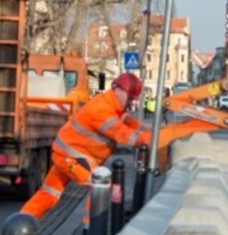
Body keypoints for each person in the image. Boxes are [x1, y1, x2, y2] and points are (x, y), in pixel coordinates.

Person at [21, 73, 151, 226]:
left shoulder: (115, 109)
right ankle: (90, 230)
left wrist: (154, 133)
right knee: (100, 185)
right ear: (118, 90)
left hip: (68, 155)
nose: (132, 102)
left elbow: (132, 125)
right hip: (72, 158)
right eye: (130, 98)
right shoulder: (102, 109)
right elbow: (125, 136)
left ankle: (21, 222)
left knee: (49, 193)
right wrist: (151, 140)